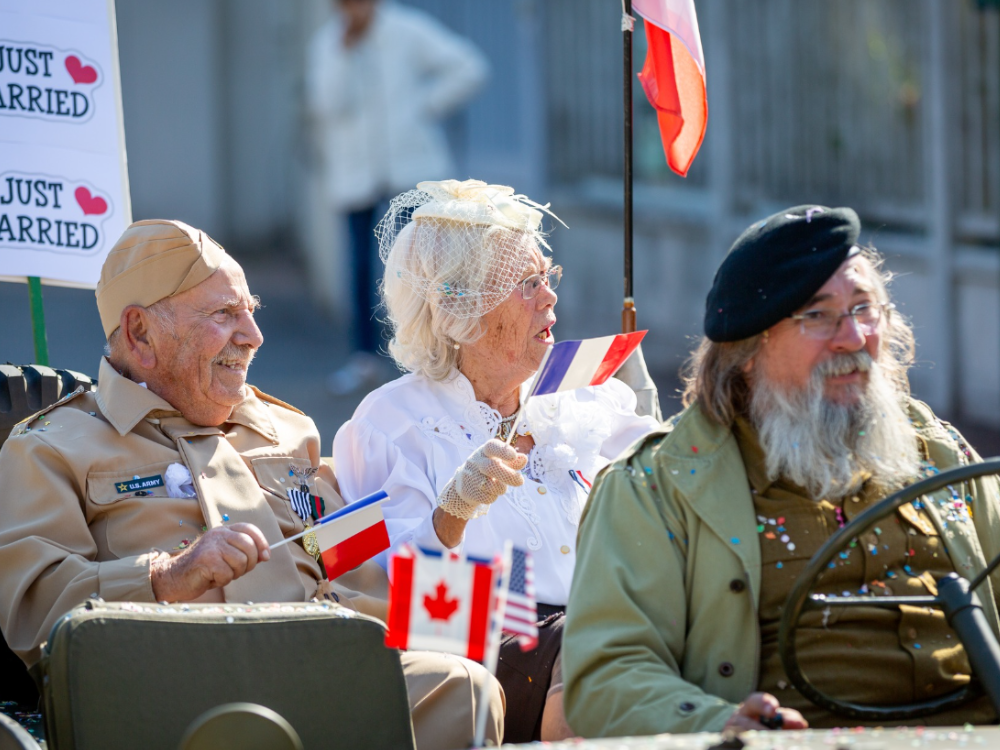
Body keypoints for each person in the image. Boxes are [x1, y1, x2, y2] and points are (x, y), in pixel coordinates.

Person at [0, 219, 503, 750]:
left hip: (318, 667)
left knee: (466, 689)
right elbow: (35, 609)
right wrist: (167, 577)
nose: (254, 336)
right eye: (224, 315)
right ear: (139, 333)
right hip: (168, 688)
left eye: (250, 312)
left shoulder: (288, 430)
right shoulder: (51, 447)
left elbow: (342, 564)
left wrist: (448, 536)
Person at [562, 205, 1000, 737]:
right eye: (817, 316)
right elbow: (607, 679)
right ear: (748, 350)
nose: (855, 337)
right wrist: (721, 724)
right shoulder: (654, 489)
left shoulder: (940, 454)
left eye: (865, 308)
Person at [333, 179, 660, 742]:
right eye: (527, 284)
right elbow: (368, 577)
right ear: (463, 308)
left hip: (601, 621)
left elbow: (668, 473)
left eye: (546, 279)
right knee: (603, 645)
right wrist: (452, 512)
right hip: (480, 642)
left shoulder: (576, 390)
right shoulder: (390, 421)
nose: (550, 298)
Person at [305, 0, 489, 394]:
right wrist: (345, 50)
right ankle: (364, 359)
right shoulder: (329, 43)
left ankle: (429, 355)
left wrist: (424, 107)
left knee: (419, 264)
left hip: (411, 170)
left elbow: (469, 67)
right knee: (359, 267)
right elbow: (325, 104)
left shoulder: (408, 29)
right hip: (355, 174)